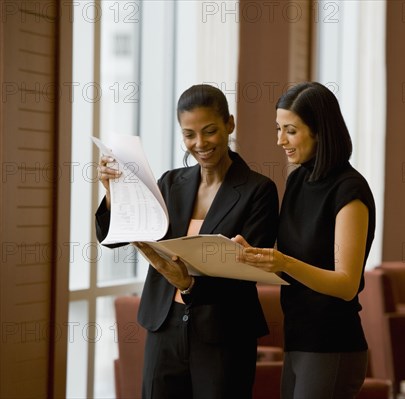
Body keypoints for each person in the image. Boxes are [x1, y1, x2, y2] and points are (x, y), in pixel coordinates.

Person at [95, 84, 279, 398]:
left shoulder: (257, 190)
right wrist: (114, 196)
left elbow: (250, 266)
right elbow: (113, 240)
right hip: (164, 327)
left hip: (224, 333)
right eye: (189, 134)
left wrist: (190, 284)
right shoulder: (169, 183)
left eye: (209, 131)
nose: (199, 143)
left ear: (229, 124)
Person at [234, 81, 376, 399]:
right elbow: (292, 266)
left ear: (320, 131)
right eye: (278, 129)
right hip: (298, 338)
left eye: (291, 130)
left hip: (332, 343)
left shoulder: (349, 190)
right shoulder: (298, 179)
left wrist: (282, 261)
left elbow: (346, 284)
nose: (280, 140)